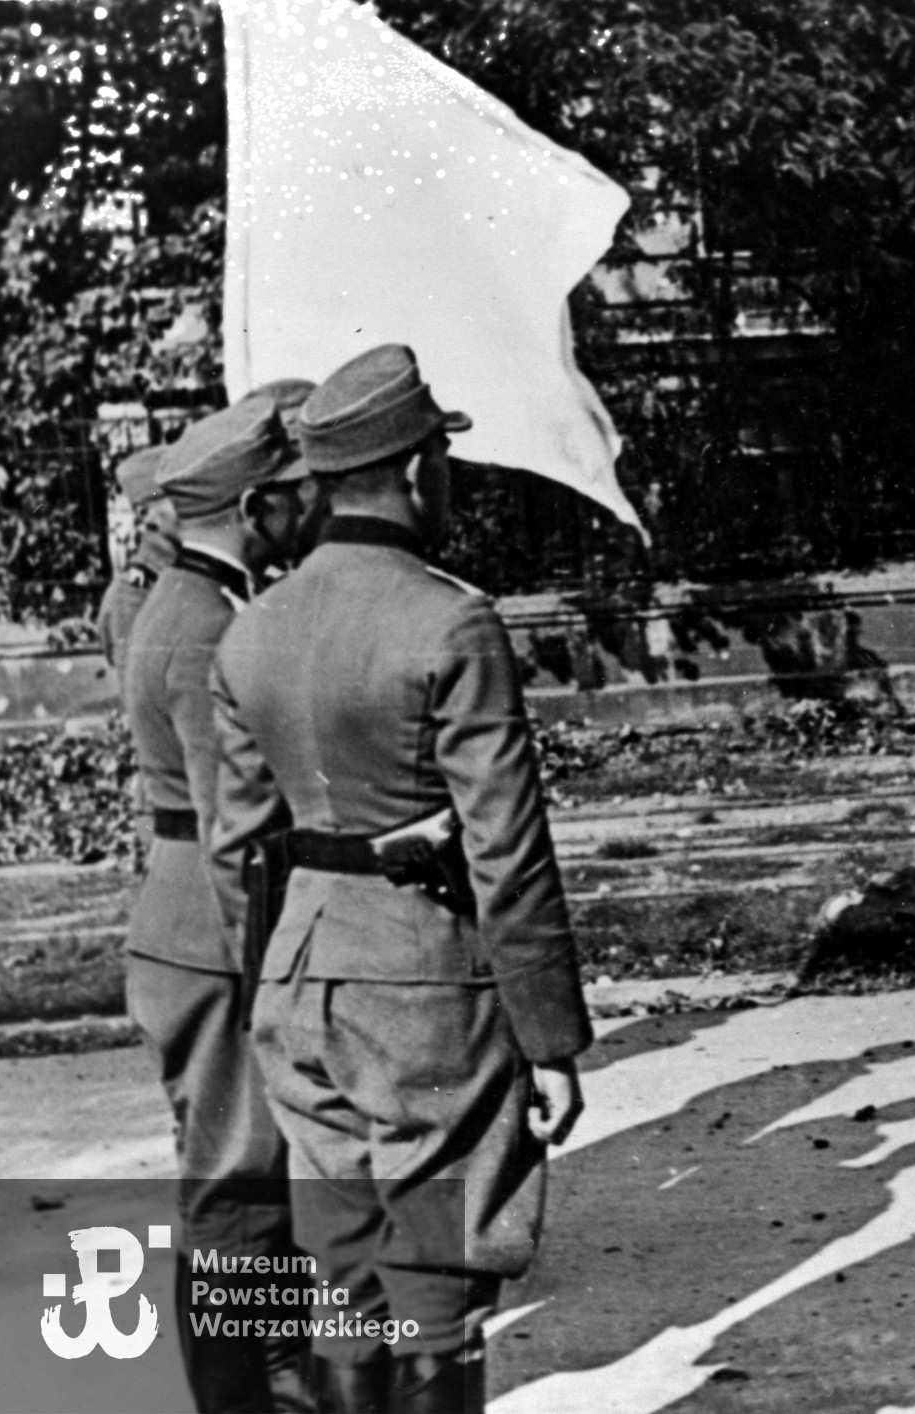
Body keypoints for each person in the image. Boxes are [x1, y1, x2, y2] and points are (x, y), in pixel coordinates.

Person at [209, 344, 592, 1414]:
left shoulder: (252, 632)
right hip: (420, 985)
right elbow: (508, 853)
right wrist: (551, 1038)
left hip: (297, 982)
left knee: (343, 1278)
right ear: (420, 468)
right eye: (443, 458)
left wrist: (264, 1000)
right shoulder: (450, 620)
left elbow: (238, 849)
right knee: (431, 1288)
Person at [121, 391, 321, 1413]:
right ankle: (244, 1400)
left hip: (189, 916)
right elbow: (231, 820)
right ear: (253, 507)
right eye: (289, 497)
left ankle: (278, 1374)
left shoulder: (196, 603)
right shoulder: (204, 625)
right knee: (236, 1186)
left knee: (247, 1172)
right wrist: (273, 972)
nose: (304, 510)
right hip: (216, 923)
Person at [96, 445, 179, 671]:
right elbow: (144, 697)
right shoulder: (132, 598)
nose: (198, 506)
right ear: (145, 514)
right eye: (181, 499)